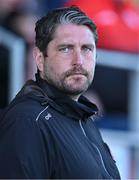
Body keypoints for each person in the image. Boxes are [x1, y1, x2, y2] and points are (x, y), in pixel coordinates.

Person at [0, 6, 121, 179]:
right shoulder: (27, 121)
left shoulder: (84, 119)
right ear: (40, 59)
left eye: (87, 48)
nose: (78, 61)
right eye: (65, 49)